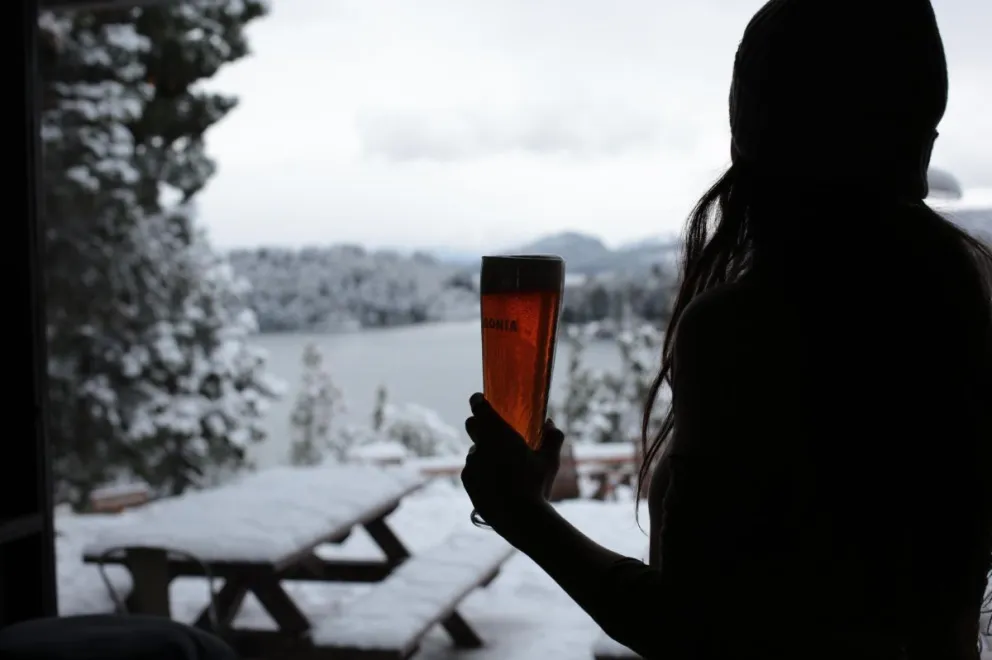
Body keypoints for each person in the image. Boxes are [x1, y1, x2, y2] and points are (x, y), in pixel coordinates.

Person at [460, 1, 992, 658]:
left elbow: (694, 628)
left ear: (746, 131)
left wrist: (521, 513)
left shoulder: (747, 327)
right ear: (921, 143)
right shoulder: (967, 304)